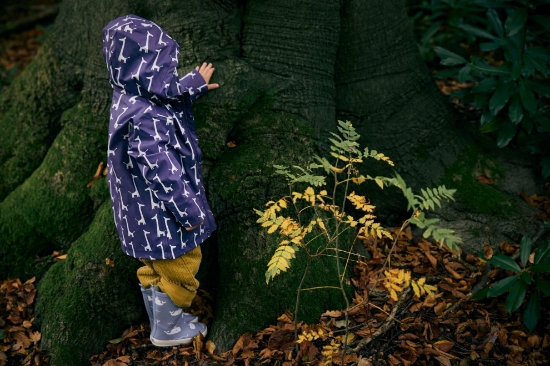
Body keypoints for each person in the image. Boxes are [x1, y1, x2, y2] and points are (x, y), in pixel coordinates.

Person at [101, 14, 218, 347]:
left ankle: (160, 323)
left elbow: (160, 95)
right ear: (145, 71)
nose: (170, 73)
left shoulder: (128, 98)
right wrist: (190, 212)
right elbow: (162, 172)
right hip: (164, 218)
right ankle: (167, 331)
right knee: (182, 266)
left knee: (154, 268)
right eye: (164, 67)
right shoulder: (147, 117)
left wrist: (190, 86)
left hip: (139, 219)